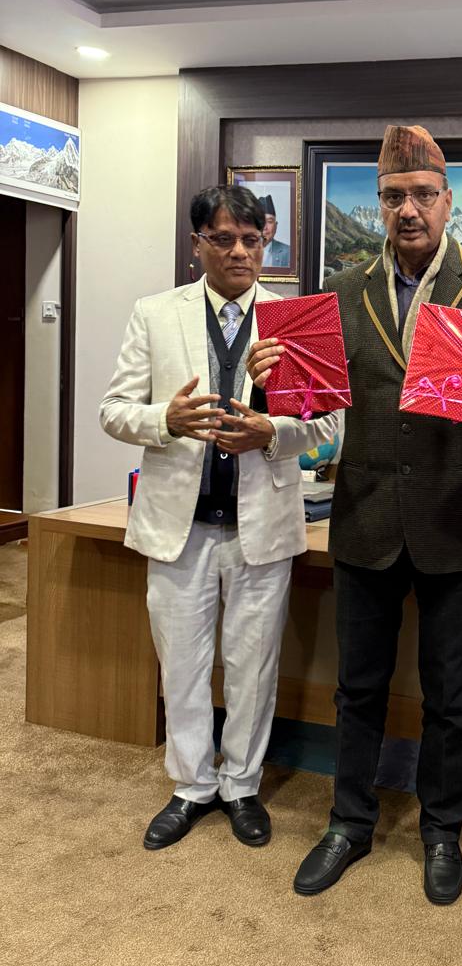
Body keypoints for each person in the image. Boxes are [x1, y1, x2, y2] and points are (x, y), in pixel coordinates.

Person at [248, 124, 462, 905]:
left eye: (421, 195)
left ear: (447, 202)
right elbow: (309, 403)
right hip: (366, 519)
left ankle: (442, 831)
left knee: (449, 696)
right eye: (392, 197)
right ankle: (348, 823)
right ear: (378, 205)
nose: (407, 209)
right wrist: (266, 381)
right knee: (357, 688)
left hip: (456, 518)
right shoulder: (341, 291)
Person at [100, 185, 333, 851]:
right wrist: (164, 420)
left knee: (253, 665)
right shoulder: (155, 314)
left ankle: (240, 786)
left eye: (251, 240)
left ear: (266, 242)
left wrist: (272, 431)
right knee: (182, 663)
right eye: (223, 239)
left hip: (261, 525)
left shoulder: (296, 319)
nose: (239, 252)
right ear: (197, 243)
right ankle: (192, 785)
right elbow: (114, 410)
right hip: (180, 526)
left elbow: (327, 425)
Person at [259, 195, 292, 268]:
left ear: (276, 225)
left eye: (269, 222)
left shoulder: (288, 252)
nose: (265, 227)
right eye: (261, 221)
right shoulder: (244, 250)